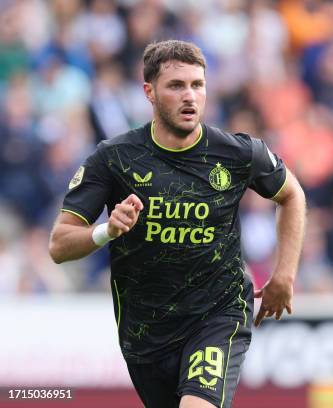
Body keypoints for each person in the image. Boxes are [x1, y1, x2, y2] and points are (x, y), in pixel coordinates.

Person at [48, 40, 306, 408]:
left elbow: (292, 194)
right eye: (176, 86)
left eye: (197, 85)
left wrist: (285, 274)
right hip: (145, 332)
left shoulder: (238, 153)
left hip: (218, 313)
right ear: (149, 93)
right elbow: (59, 245)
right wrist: (107, 230)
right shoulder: (114, 159)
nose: (190, 96)